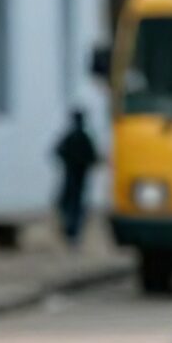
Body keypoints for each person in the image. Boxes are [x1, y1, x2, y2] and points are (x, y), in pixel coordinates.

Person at [53, 105, 99, 248]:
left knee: (74, 206)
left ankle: (72, 232)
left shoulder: (79, 137)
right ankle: (71, 231)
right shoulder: (75, 136)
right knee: (70, 205)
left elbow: (92, 157)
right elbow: (58, 151)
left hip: (77, 178)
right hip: (73, 177)